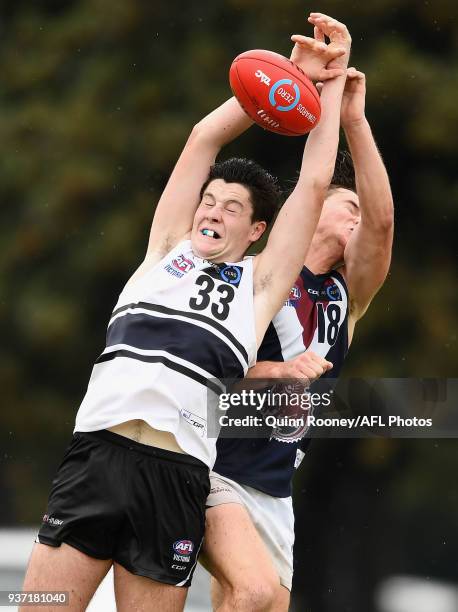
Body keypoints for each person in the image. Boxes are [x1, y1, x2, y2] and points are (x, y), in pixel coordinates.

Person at [21, 12, 351, 612]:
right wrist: (282, 80)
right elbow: (204, 138)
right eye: (210, 199)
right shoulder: (163, 250)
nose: (215, 210)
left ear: (255, 231)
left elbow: (313, 182)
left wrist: (323, 94)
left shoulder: (259, 290)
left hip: (176, 480)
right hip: (97, 457)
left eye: (232, 208)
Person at [202, 64, 394, 611]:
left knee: (259, 604)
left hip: (275, 486)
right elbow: (205, 379)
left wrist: (354, 119)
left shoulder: (345, 297)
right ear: (308, 213)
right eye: (347, 206)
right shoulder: (253, 276)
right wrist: (276, 373)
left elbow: (382, 224)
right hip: (213, 464)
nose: (361, 217)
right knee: (253, 591)